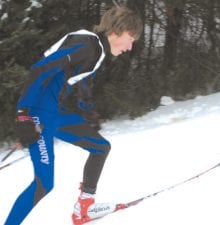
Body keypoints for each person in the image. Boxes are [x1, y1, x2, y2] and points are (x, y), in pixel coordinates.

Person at [5, 5, 143, 225]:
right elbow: (41, 69)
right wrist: (23, 114)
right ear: (117, 31)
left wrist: (88, 112)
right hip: (39, 113)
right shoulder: (87, 45)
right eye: (130, 38)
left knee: (100, 147)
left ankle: (83, 209)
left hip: (54, 112)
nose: (130, 46)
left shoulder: (96, 50)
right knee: (44, 184)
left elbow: (81, 80)